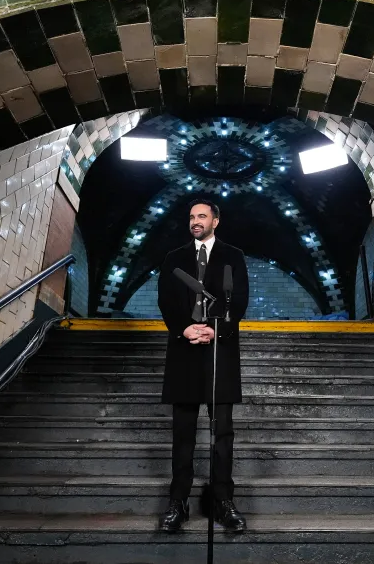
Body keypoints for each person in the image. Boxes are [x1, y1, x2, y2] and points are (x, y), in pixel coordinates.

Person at [156, 199, 249, 534]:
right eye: (192, 217)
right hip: (184, 351)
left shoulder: (233, 256)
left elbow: (239, 300)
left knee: (222, 433)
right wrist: (184, 328)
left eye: (201, 216)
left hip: (219, 352)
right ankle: (177, 502)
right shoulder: (174, 259)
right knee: (183, 434)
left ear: (216, 221)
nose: (195, 221)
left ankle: (223, 501)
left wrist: (216, 329)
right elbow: (166, 299)